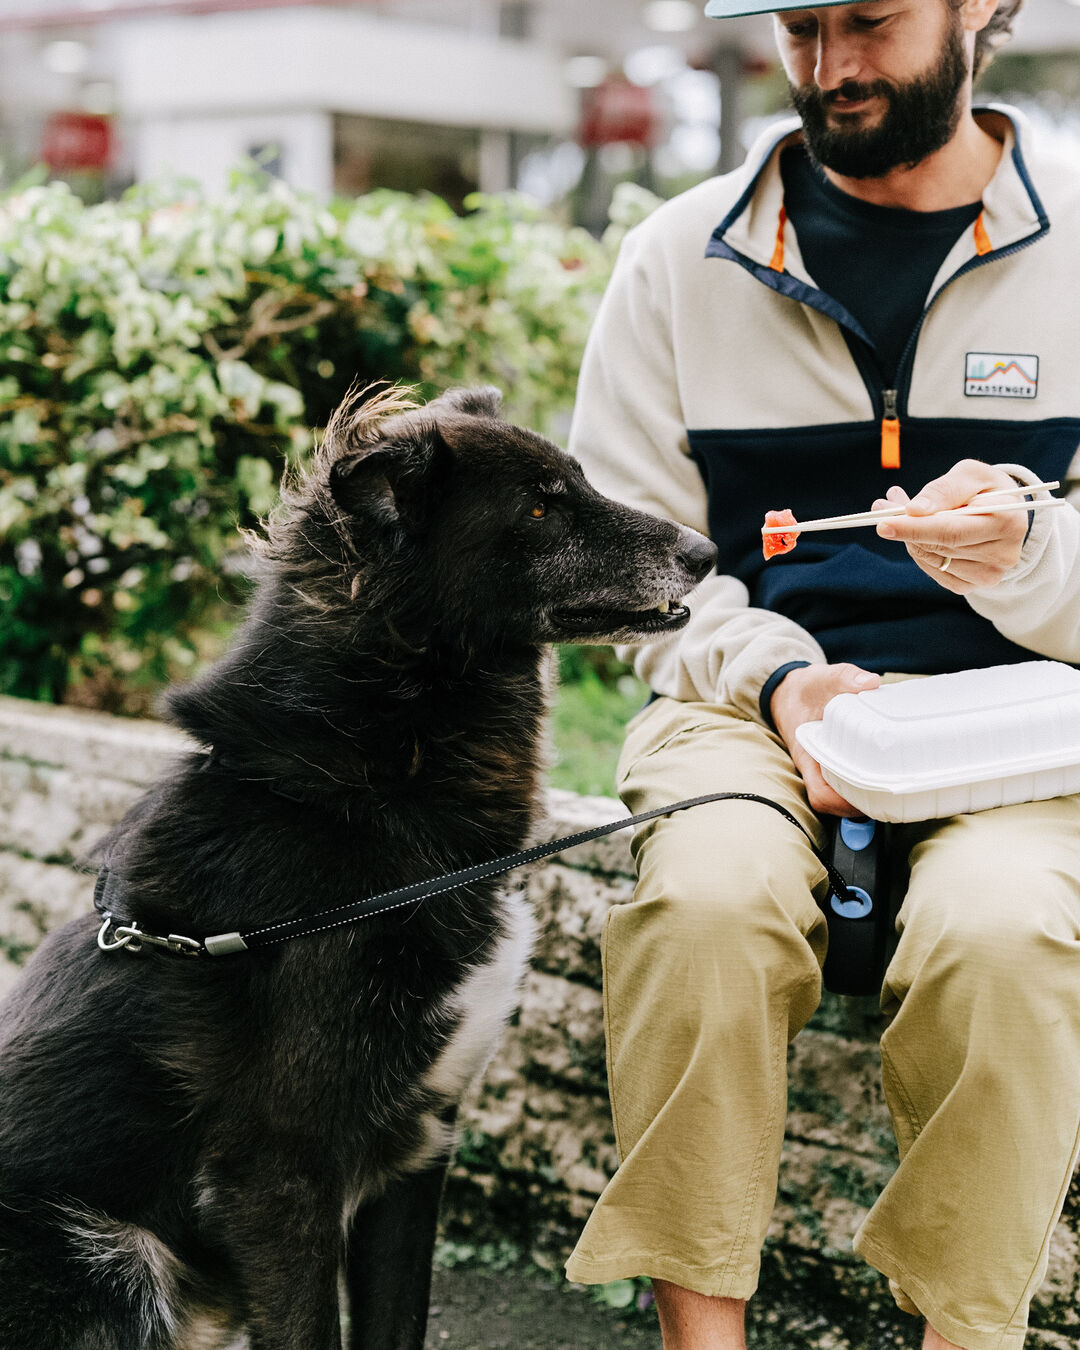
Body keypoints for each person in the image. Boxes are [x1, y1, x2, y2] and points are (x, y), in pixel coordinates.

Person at [562, 2, 1080, 1348]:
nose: (834, 67)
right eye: (802, 28)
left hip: (1023, 715)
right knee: (705, 904)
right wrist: (785, 677)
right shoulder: (675, 260)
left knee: (1009, 934)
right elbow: (625, 574)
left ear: (982, 12)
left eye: (872, 21)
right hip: (741, 700)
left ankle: (969, 1335)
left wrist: (1028, 550)